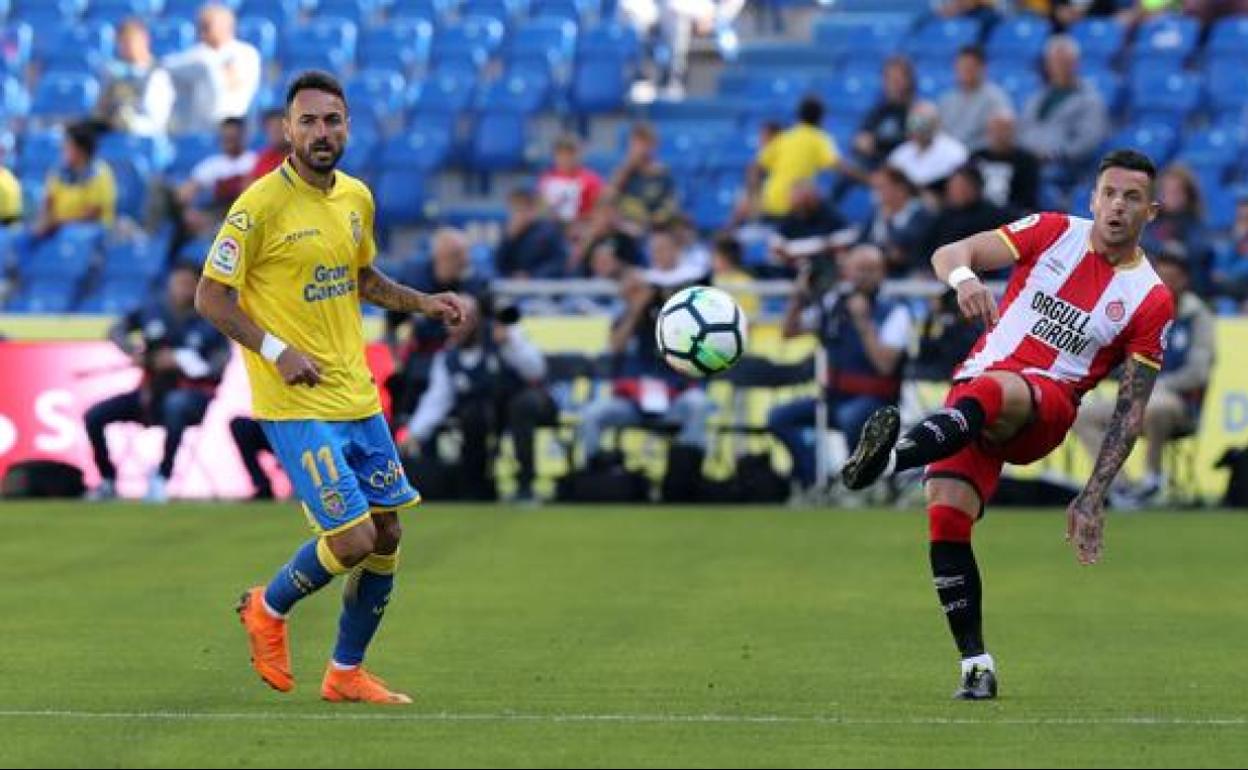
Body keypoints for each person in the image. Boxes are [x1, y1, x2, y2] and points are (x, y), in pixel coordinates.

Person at [839, 150, 1175, 700]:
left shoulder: (1151, 298)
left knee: (996, 389)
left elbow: (1130, 411)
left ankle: (889, 460)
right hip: (971, 394)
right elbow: (951, 252)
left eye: (1132, 198)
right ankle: (976, 664)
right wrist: (966, 280)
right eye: (1109, 193)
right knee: (947, 519)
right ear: (1093, 198)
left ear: (1151, 212)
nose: (1118, 205)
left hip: (1045, 406)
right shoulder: (1051, 230)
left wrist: (1092, 497)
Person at [195, 71, 471, 705]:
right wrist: (275, 349)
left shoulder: (355, 198)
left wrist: (425, 303)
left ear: (348, 127)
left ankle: (345, 671)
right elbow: (212, 296)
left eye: (333, 121)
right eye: (309, 121)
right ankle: (268, 605)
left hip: (356, 395)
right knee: (351, 540)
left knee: (389, 533)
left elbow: (362, 277)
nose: (322, 132)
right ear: (288, 130)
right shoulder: (259, 205)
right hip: (294, 400)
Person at [1073, 247, 1214, 504]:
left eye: (1173, 279)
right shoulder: (1142, 310)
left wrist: (1158, 384)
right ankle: (1121, 487)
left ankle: (1152, 480)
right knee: (1083, 416)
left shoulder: (1197, 317)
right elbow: (1120, 358)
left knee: (1155, 406)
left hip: (1178, 402)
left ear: (1184, 281)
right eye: (1162, 278)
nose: (1166, 285)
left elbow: (1198, 371)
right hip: (1136, 397)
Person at [768, 244, 910, 493]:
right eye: (860, 269)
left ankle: (858, 484)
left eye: (872, 269)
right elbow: (790, 331)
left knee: (852, 418)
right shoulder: (834, 304)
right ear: (847, 272)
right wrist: (799, 296)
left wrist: (863, 323)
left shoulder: (895, 312)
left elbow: (885, 365)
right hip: (833, 397)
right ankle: (814, 479)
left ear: (882, 273)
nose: (865, 276)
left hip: (875, 400)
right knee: (779, 417)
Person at [85, 264, 230, 503]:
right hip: (150, 394)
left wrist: (180, 361)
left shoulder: (211, 318)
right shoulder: (153, 310)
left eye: (187, 284)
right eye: (177, 282)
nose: (181, 289)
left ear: (198, 286)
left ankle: (162, 477)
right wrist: (133, 352)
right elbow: (116, 330)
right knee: (94, 415)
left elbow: (218, 366)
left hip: (192, 396)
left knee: (176, 404)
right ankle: (107, 480)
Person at [403, 295, 555, 504]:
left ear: (477, 320)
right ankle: (477, 487)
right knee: (471, 414)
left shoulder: (504, 336)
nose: (455, 328)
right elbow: (436, 401)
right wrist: (413, 433)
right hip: (487, 411)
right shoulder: (448, 358)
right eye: (450, 321)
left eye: (461, 321)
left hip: (527, 402)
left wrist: (509, 342)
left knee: (521, 405)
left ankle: (526, 485)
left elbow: (536, 370)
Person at [163, 2, 261, 135]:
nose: (202, 31)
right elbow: (166, 67)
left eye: (207, 26)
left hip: (235, 126)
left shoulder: (246, 53)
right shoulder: (197, 53)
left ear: (227, 25)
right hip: (198, 129)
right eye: (201, 26)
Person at [749, 96, 842, 221]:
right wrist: (866, 179)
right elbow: (838, 165)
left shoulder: (786, 136)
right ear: (821, 118)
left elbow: (755, 168)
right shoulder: (819, 138)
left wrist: (755, 200)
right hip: (796, 206)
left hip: (771, 204)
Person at [94, 17, 176, 137]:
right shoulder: (114, 74)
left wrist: (131, 123)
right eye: (121, 43)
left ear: (144, 40)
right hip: (115, 136)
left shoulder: (158, 74)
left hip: (145, 139)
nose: (125, 48)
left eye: (129, 42)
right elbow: (101, 111)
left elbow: (157, 122)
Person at [32, 122, 116, 237]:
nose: (63, 150)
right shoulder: (58, 171)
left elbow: (93, 214)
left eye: (68, 146)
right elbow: (48, 202)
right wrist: (44, 221)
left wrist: (57, 224)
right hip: (56, 229)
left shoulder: (100, 173)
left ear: (81, 150)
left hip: (88, 233)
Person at [937, 46, 1011, 152]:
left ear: (983, 68)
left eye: (970, 67)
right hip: (949, 156)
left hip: (979, 155)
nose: (965, 71)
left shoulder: (996, 98)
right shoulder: (946, 99)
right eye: (961, 67)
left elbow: (999, 136)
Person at [970, 109, 1040, 212]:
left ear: (1014, 132)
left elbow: (1028, 198)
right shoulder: (976, 157)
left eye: (1005, 129)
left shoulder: (1026, 161)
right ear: (987, 132)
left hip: (1011, 215)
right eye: (996, 129)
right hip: (978, 213)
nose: (1000, 134)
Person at [250, 107, 290, 181]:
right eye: (270, 129)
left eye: (278, 128)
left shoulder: (301, 156)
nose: (274, 133)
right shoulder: (262, 160)